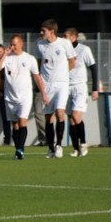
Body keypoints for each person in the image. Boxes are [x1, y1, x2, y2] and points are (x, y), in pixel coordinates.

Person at [0, 34, 48, 159]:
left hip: (25, 96)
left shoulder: (29, 59)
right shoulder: (7, 58)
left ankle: (20, 150)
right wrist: (5, 54)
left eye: (15, 44)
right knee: (15, 125)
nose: (12, 47)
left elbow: (37, 77)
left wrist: (43, 94)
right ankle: (18, 148)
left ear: (21, 44)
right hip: (10, 97)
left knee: (22, 121)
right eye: (11, 44)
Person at [35, 18, 75, 158]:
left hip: (62, 84)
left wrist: (63, 74)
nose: (41, 33)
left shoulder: (64, 43)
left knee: (60, 113)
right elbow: (39, 64)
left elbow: (72, 61)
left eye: (43, 30)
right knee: (48, 117)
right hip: (46, 85)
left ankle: (59, 145)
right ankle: (51, 147)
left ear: (52, 31)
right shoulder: (40, 45)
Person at [64, 27, 98, 157]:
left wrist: (94, 89)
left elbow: (93, 68)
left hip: (80, 87)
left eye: (66, 36)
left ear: (73, 37)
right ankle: (75, 148)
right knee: (71, 119)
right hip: (66, 87)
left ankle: (83, 143)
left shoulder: (84, 50)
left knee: (76, 115)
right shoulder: (63, 50)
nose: (63, 38)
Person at [0, 43, 12, 146]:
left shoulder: (7, 62)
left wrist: (5, 55)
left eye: (0, 52)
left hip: (4, 93)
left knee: (6, 117)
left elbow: (0, 67)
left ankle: (7, 139)